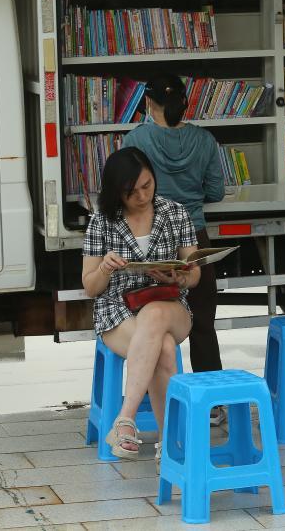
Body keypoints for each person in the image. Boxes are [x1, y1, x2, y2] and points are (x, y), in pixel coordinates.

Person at [81, 147, 197, 462]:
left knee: (156, 314)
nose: (143, 196)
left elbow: (195, 274)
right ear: (117, 192)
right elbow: (90, 287)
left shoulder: (175, 213)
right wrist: (104, 269)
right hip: (117, 310)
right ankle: (170, 446)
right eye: (132, 192)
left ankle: (125, 419)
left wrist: (178, 276)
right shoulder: (102, 222)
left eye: (147, 186)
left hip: (170, 303)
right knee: (163, 347)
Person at [123, 75, 227, 424]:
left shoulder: (137, 139)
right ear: (185, 103)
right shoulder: (204, 140)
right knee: (202, 321)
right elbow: (216, 191)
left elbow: (125, 186)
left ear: (149, 104)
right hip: (194, 235)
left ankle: (152, 401)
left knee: (150, 319)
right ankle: (213, 404)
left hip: (151, 236)